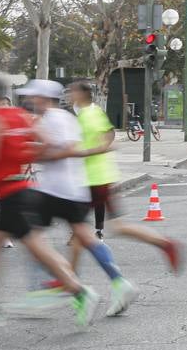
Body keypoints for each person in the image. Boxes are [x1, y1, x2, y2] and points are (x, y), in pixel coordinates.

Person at [0, 73, 96, 328]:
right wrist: (22, 156)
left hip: (12, 193)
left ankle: (78, 290)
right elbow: (45, 142)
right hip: (23, 187)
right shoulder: (22, 116)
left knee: (37, 248)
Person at [22, 79, 138, 317]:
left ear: (45, 98)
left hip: (58, 190)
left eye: (34, 97)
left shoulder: (55, 119)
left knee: (33, 238)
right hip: (71, 188)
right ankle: (119, 282)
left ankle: (44, 292)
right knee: (85, 237)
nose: (31, 101)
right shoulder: (60, 118)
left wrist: (36, 153)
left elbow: (70, 149)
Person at [66, 80, 181, 273]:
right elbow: (109, 137)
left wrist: (78, 152)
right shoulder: (94, 112)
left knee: (83, 228)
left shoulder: (87, 116)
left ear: (81, 95)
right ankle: (164, 244)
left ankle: (69, 278)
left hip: (93, 180)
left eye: (72, 92)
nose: (70, 96)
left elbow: (102, 144)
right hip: (100, 177)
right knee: (112, 227)